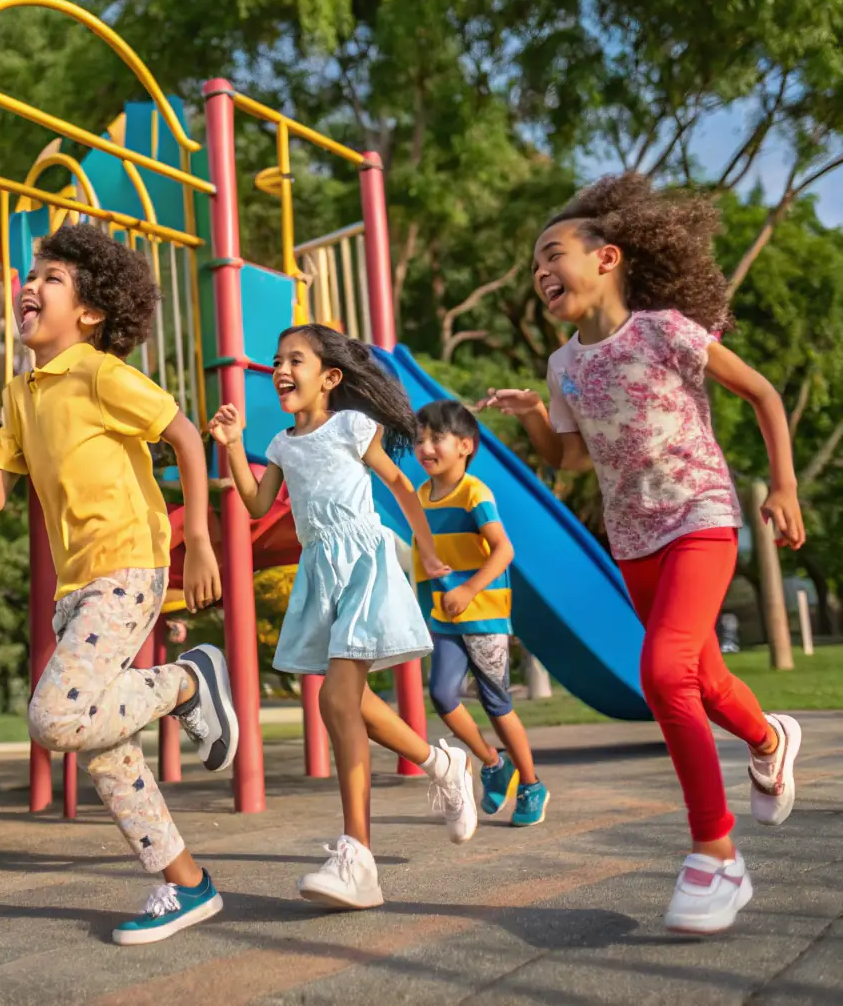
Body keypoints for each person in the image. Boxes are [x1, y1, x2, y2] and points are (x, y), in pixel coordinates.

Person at [479, 173, 804, 936]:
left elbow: (761, 392)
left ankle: (716, 855)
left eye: (552, 255)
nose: (541, 273)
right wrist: (533, 416)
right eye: (533, 270)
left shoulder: (665, 331)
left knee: (662, 672)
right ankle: (769, 736)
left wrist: (784, 484)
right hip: (632, 541)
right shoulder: (563, 367)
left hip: (701, 517)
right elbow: (572, 457)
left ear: (609, 257)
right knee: (703, 674)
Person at [0, 223, 238, 947]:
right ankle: (188, 883)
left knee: (54, 718)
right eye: (30, 275)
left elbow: (183, 433)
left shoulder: (97, 370)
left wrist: (200, 540)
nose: (29, 285)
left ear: (88, 311)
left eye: (50, 277)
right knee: (103, 746)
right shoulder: (21, 392)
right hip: (75, 589)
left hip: (128, 563)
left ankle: (186, 681)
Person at [209, 324, 479, 910]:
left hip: (365, 562)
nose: (281, 369)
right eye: (276, 360)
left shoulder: (353, 426)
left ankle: (359, 857)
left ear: (330, 378)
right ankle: (443, 762)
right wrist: (233, 444)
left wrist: (427, 551)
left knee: (333, 700)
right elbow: (258, 505)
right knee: (350, 700)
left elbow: (401, 484)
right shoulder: (280, 445)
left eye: (295, 360)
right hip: (320, 571)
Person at [413, 400, 548, 826]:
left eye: (437, 438)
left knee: (495, 702)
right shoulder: (419, 495)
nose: (425, 447)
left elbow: (504, 549)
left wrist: (470, 590)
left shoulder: (475, 493)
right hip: (445, 615)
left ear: (466, 446)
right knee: (441, 694)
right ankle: (493, 763)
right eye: (420, 439)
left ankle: (531, 783)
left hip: (484, 614)